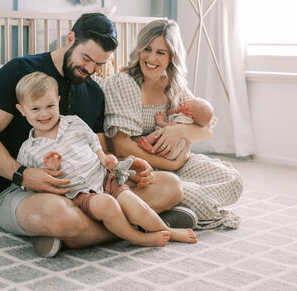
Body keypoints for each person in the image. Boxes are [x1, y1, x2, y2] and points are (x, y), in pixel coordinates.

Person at [0, 13, 196, 258]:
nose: (90, 69)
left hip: (92, 187)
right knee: (58, 216)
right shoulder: (19, 72)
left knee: (171, 186)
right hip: (25, 192)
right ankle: (137, 226)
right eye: (86, 58)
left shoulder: (93, 92)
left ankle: (77, 237)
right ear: (70, 39)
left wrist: (124, 167)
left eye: (99, 65)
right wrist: (23, 175)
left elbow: (100, 150)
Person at [15, 72, 197, 253]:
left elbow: (94, 143)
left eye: (49, 106)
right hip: (79, 195)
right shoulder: (28, 149)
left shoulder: (74, 123)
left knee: (135, 205)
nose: (44, 113)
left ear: (58, 100)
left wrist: (104, 158)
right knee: (106, 205)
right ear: (22, 110)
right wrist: (49, 171)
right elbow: (30, 184)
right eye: (35, 109)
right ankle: (137, 238)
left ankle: (168, 231)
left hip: (105, 178)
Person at [102, 18, 244, 230]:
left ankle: (167, 211)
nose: (151, 58)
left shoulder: (174, 85)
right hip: (140, 169)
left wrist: (181, 130)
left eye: (161, 52)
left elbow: (206, 132)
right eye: (147, 49)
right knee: (193, 195)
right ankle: (166, 209)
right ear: (139, 50)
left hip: (177, 163)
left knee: (233, 180)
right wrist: (174, 164)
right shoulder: (123, 83)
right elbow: (122, 147)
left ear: (171, 57)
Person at [138, 97, 216, 159]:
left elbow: (173, 127)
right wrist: (178, 109)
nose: (185, 102)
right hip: (175, 151)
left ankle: (149, 144)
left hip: (173, 148)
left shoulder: (185, 119)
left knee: (158, 133)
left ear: (191, 116)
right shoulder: (184, 113)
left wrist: (160, 122)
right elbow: (168, 112)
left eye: (188, 104)